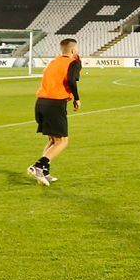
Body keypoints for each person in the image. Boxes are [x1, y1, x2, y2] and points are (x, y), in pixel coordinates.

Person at [28, 38, 81, 187]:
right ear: (73, 50)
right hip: (55, 103)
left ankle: (44, 171)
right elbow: (71, 80)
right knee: (63, 141)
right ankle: (38, 166)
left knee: (53, 140)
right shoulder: (72, 63)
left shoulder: (53, 62)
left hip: (41, 103)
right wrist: (77, 98)